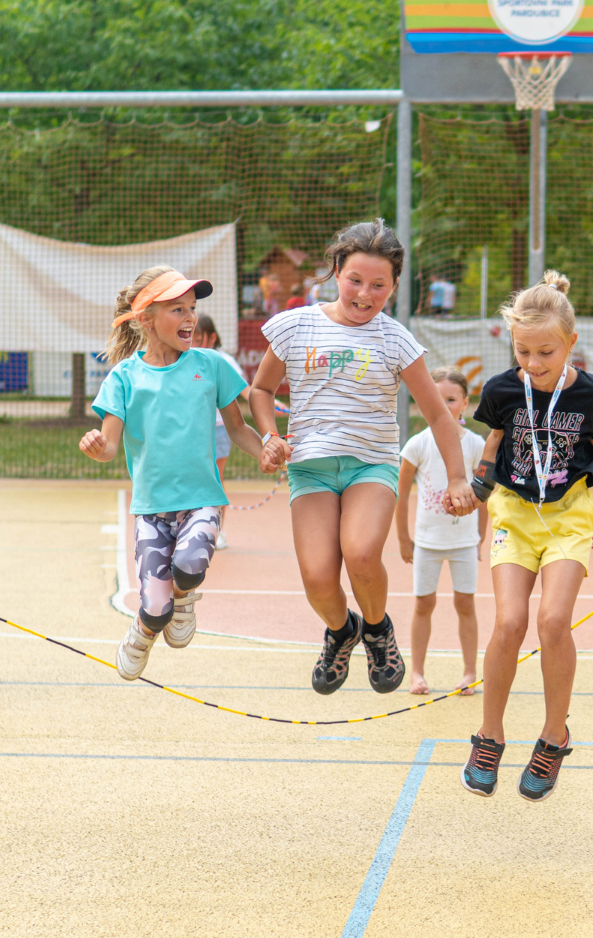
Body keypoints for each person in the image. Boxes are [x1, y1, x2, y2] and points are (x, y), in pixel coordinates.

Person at [248, 218, 474, 696]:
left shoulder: (396, 340)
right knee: (316, 577)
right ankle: (342, 630)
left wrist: (458, 478)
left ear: (394, 288)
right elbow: (262, 389)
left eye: (379, 285)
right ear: (335, 271)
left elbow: (438, 417)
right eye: (355, 280)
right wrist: (270, 436)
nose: (364, 294)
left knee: (362, 551)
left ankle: (377, 630)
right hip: (309, 466)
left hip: (370, 464)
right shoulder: (295, 325)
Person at [462, 271, 593, 803]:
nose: (533, 364)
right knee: (509, 621)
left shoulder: (592, 395)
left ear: (571, 343)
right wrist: (478, 486)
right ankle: (490, 736)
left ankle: (554, 736)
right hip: (513, 512)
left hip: (569, 515)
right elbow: (493, 438)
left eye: (545, 352)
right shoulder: (502, 389)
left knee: (553, 620)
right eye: (523, 351)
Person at [79, 267, 262, 680]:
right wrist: (96, 447)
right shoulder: (124, 378)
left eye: (192, 309)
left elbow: (237, 428)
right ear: (146, 319)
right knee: (156, 611)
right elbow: (109, 447)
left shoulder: (211, 365)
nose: (189, 318)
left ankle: (184, 597)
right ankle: (143, 633)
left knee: (191, 563)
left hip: (202, 500)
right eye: (177, 309)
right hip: (151, 508)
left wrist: (266, 449)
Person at [396, 367, 488, 696]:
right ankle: (417, 673)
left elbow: (483, 494)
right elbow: (401, 493)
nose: (444, 404)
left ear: (465, 403)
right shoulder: (417, 445)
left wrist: (479, 536)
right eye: (437, 398)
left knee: (465, 604)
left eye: (451, 399)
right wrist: (404, 539)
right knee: (423, 604)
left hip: (463, 543)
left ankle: (469, 672)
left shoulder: (477, 445)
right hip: (427, 543)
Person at [195, 313, 246, 551]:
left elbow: (245, 390)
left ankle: (218, 532)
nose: (193, 341)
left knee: (216, 481)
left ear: (211, 337)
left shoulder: (222, 361)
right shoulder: (185, 359)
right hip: (192, 432)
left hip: (218, 430)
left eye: (198, 336)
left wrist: (270, 404)